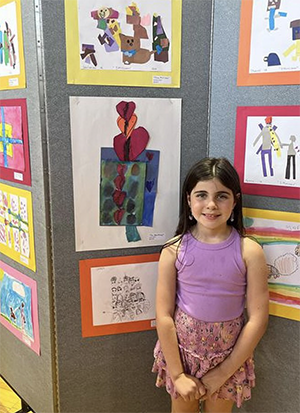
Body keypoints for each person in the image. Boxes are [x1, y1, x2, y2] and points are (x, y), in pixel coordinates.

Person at [152, 157, 269, 413]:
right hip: (182, 355)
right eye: (201, 195)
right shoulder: (173, 250)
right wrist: (178, 374)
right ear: (188, 199)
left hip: (228, 357)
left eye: (222, 196)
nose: (211, 205)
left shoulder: (249, 251)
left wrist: (224, 372)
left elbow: (258, 319)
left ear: (235, 200)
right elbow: (163, 316)